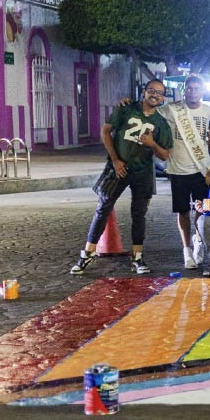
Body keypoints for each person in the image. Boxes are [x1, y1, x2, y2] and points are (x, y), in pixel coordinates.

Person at [70, 79, 172, 275]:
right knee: (104, 207)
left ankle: (137, 256)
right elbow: (106, 131)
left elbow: (165, 155)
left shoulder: (160, 123)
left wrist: (152, 143)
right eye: (151, 90)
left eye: (159, 93)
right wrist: (115, 160)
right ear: (144, 92)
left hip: (142, 172)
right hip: (119, 168)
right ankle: (87, 253)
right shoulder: (126, 109)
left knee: (139, 213)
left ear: (162, 99)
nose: (155, 95)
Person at [155, 75, 210, 270]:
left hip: (202, 169)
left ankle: (199, 241)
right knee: (182, 212)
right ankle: (187, 250)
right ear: (184, 90)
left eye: (196, 88)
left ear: (202, 91)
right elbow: (149, 112)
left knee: (202, 211)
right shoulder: (172, 109)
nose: (192, 92)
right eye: (189, 88)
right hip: (178, 170)